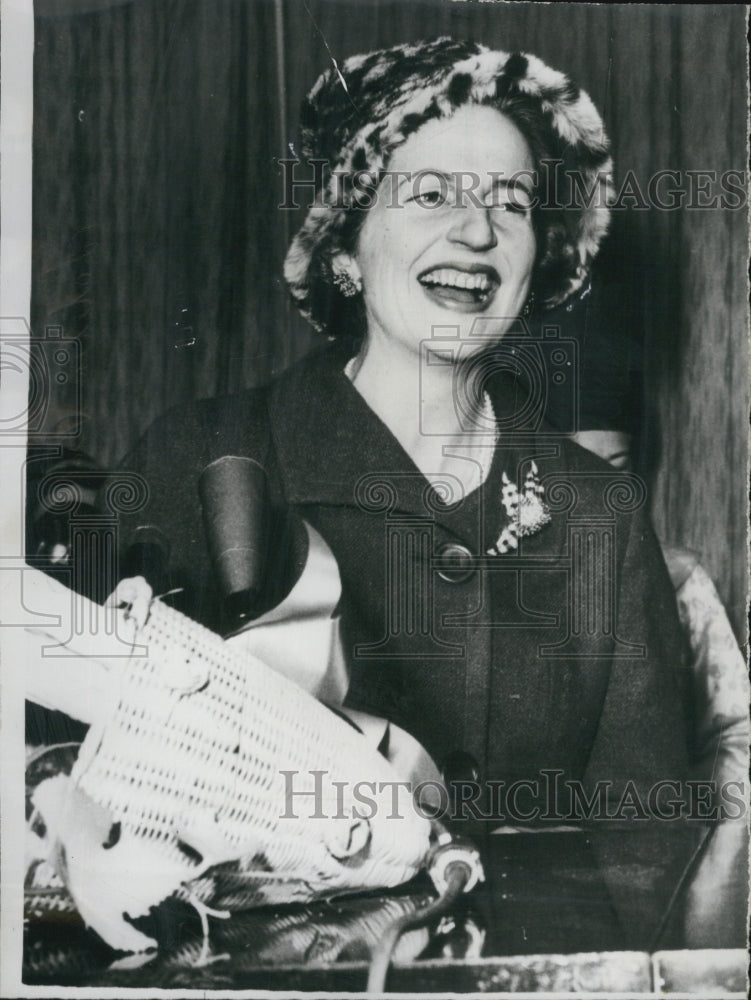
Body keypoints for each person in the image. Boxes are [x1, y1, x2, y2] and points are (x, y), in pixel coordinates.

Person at [100, 38, 721, 947]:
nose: (475, 233)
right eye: (430, 195)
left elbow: (647, 835)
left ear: (539, 258)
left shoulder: (597, 510)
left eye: (509, 204)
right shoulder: (201, 456)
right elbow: (90, 788)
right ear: (345, 242)